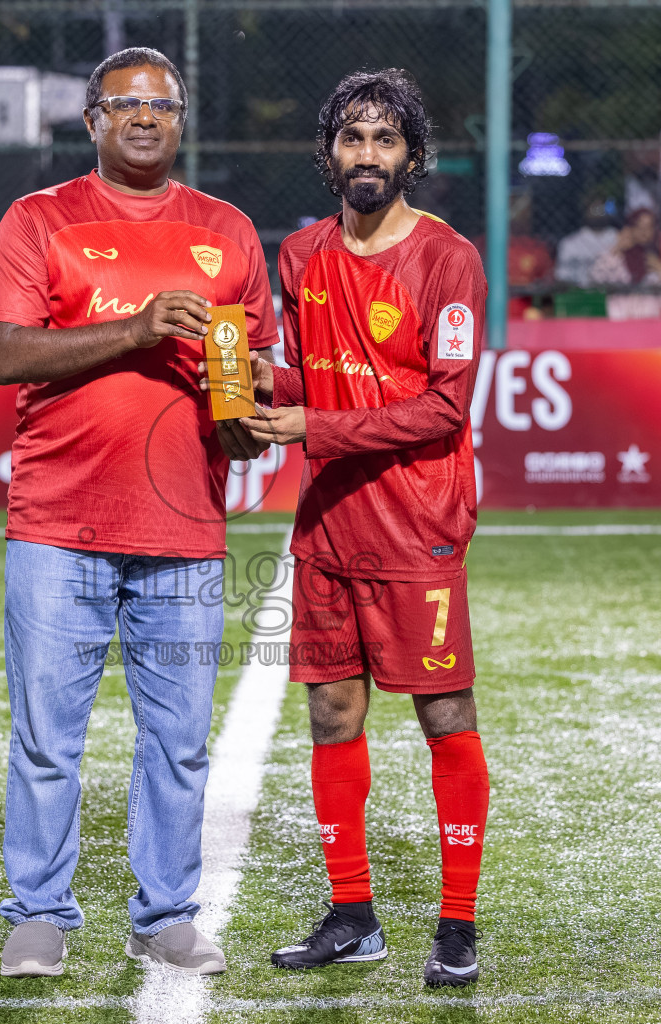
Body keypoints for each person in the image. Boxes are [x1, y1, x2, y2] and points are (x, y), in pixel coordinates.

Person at [0, 47, 277, 978]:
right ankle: (38, 913)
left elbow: (253, 365)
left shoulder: (228, 230)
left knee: (180, 740)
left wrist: (249, 413)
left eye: (163, 104)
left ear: (181, 121)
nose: (144, 117)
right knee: (46, 740)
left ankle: (167, 913)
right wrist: (139, 328)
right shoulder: (39, 220)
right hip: (59, 523)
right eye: (124, 103)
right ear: (93, 120)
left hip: (185, 527)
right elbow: (11, 356)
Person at [228, 68, 490, 989]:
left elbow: (443, 409)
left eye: (385, 139)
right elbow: (312, 381)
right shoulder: (299, 256)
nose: (367, 154)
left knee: (444, 711)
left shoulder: (449, 260)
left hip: (419, 524)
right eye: (352, 137)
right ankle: (354, 914)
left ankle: (456, 924)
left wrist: (314, 426)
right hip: (329, 524)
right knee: (332, 713)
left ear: (412, 156)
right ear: (329, 153)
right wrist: (264, 385)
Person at [588, 208, 661, 320]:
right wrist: (616, 249)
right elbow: (595, 282)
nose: (644, 232)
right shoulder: (616, 257)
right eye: (639, 227)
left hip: (651, 326)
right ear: (629, 229)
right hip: (619, 324)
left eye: (649, 227)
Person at [554, 196, 620, 288]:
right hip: (580, 296)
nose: (598, 212)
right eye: (594, 209)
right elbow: (563, 278)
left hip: (614, 295)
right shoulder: (569, 244)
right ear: (585, 211)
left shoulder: (619, 239)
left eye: (601, 208)